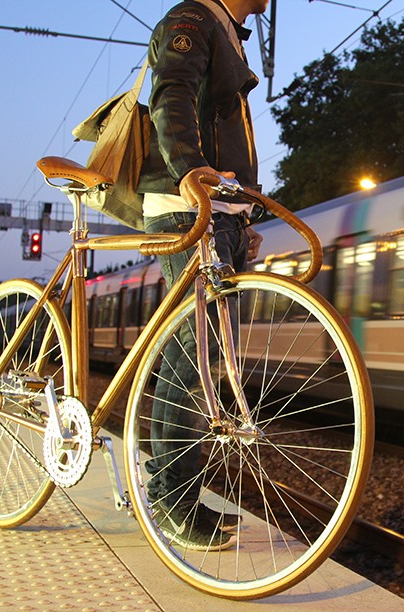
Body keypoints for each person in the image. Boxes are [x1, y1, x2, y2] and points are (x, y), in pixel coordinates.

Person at [136, 0, 267, 551]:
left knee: (200, 354)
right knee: (194, 354)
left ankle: (178, 489)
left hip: (221, 209)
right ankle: (169, 497)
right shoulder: (192, 18)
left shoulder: (229, 32)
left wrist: (245, 212)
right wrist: (188, 166)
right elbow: (172, 92)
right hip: (189, 203)